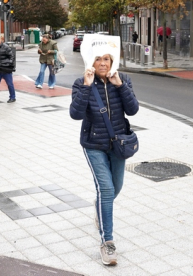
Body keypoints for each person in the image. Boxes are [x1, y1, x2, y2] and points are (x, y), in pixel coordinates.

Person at [69, 54, 139, 265]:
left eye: (106, 59)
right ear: (91, 61)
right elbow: (75, 114)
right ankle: (107, 242)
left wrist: (120, 86)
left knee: (115, 188)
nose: (102, 63)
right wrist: (87, 87)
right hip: (94, 145)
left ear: (112, 62)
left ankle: (100, 206)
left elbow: (133, 110)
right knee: (106, 190)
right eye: (98, 59)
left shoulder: (123, 80)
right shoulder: (81, 83)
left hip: (119, 144)